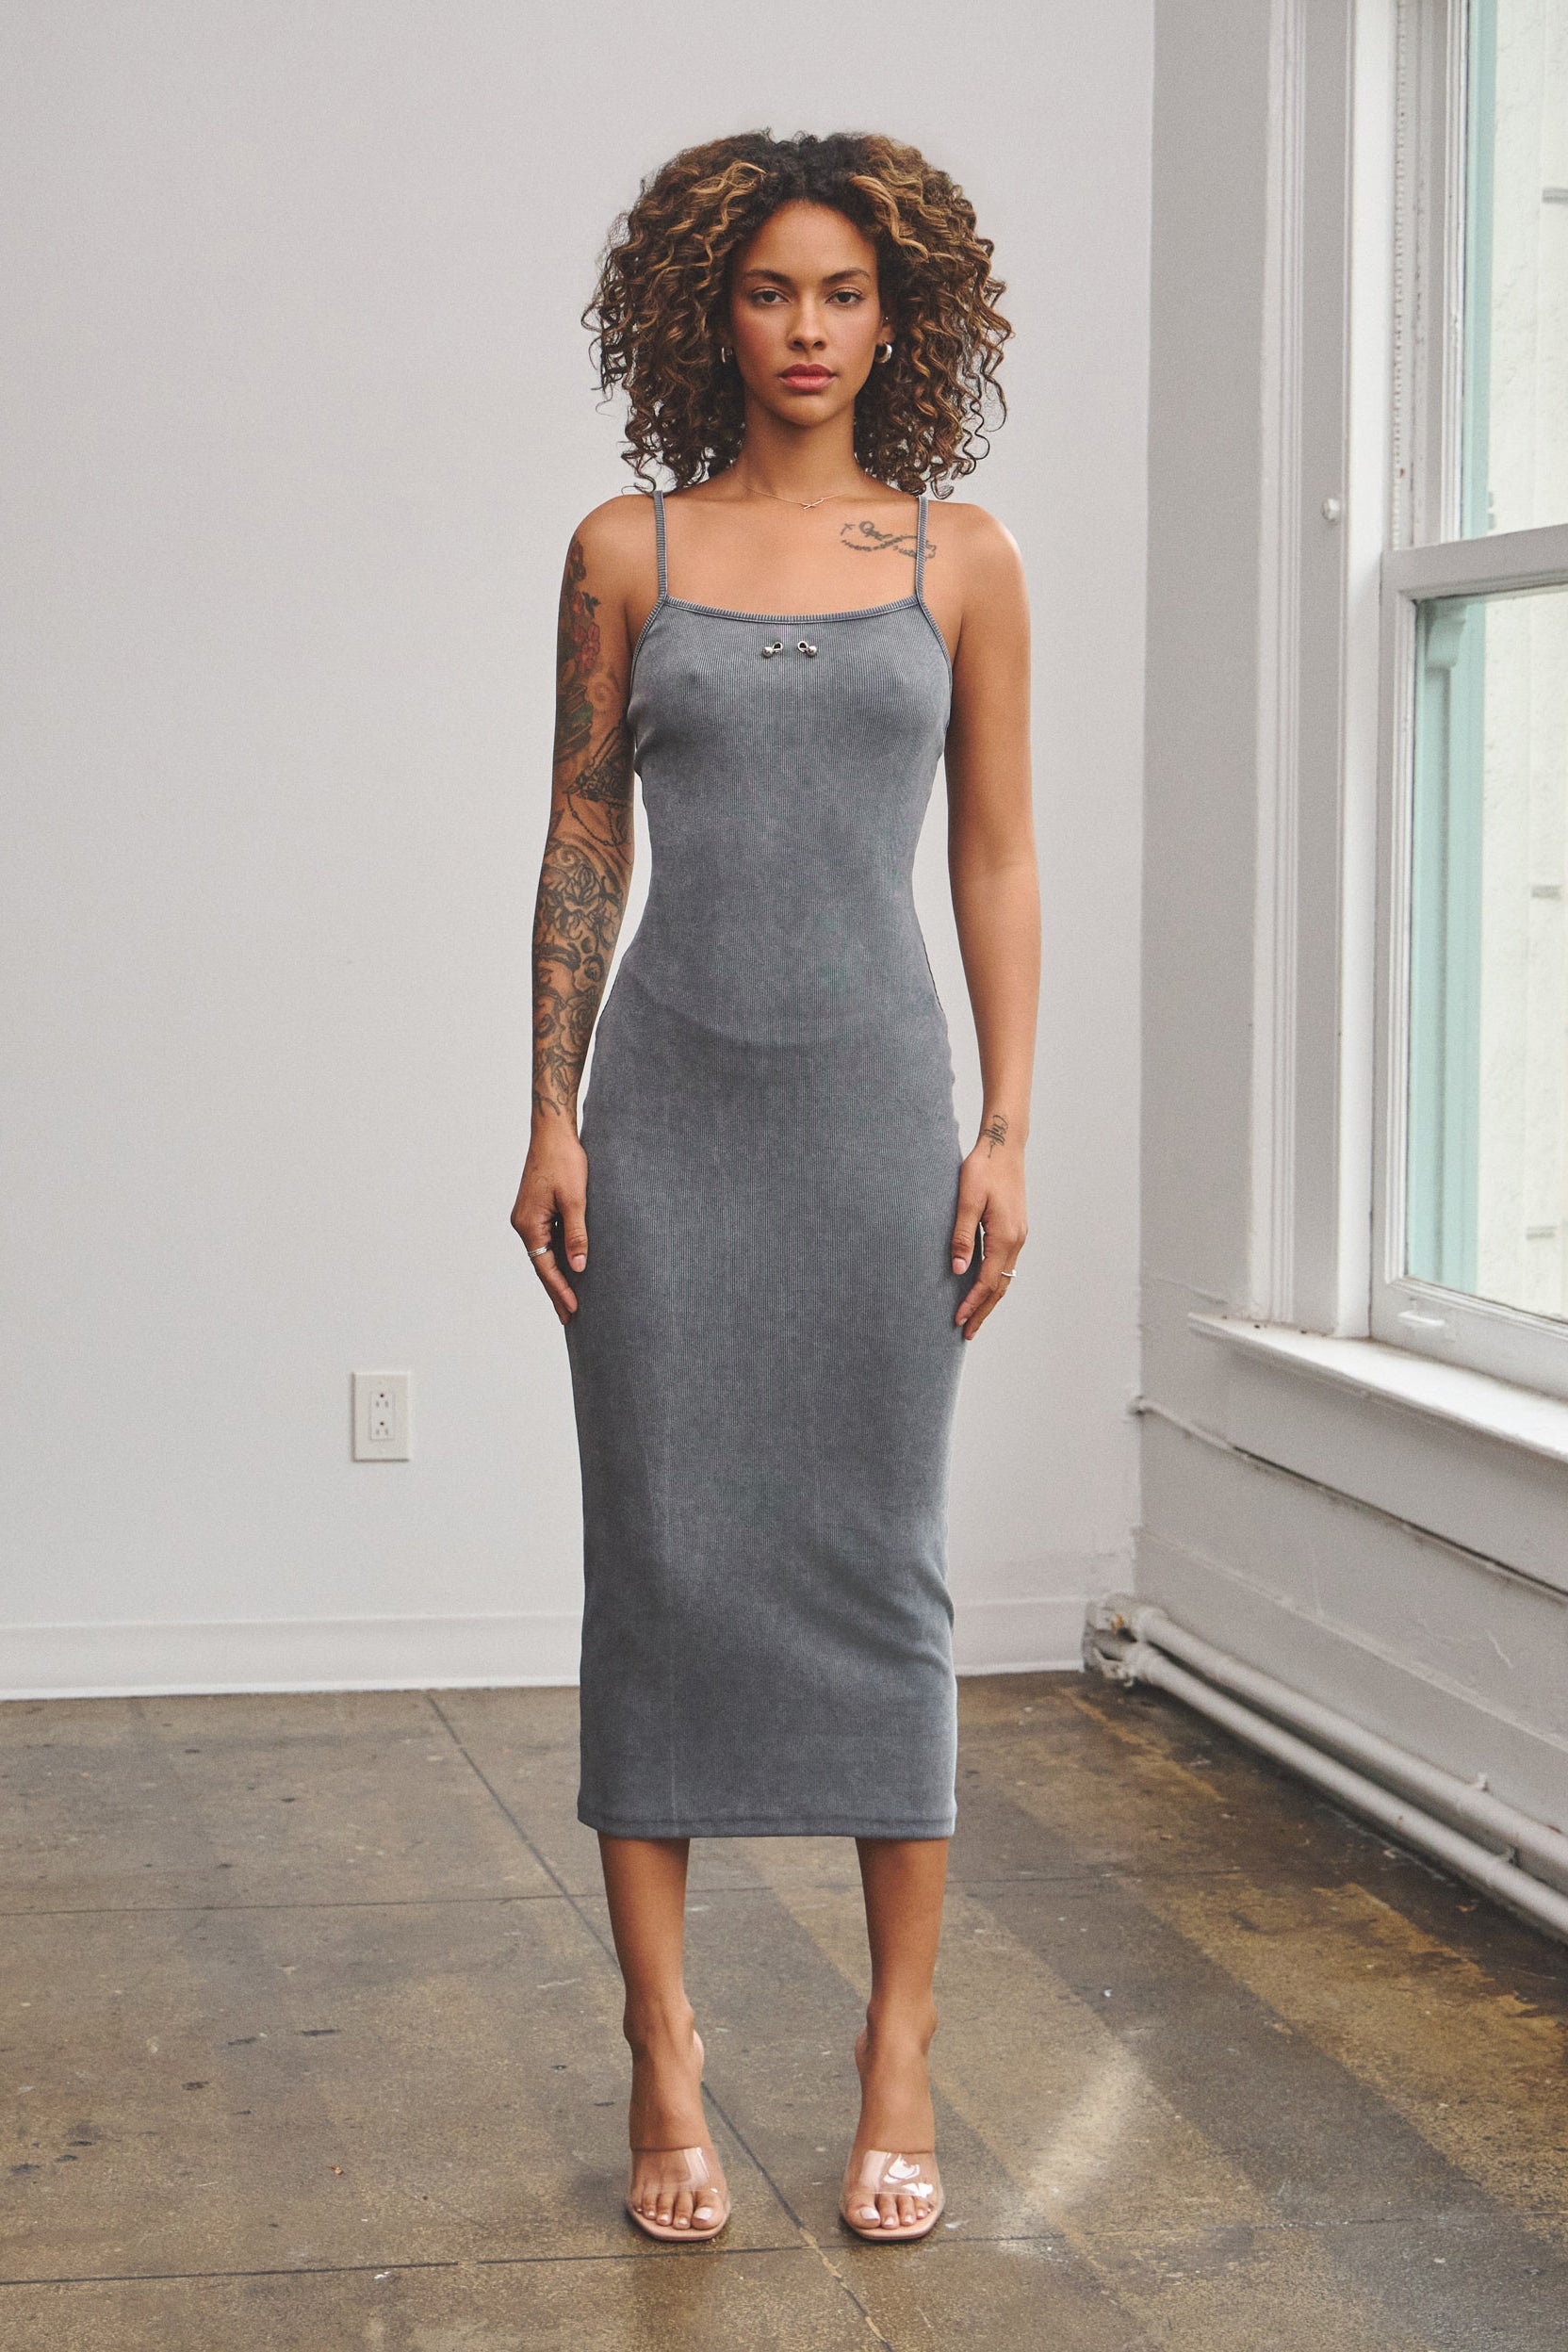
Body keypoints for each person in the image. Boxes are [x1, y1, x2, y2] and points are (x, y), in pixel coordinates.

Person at [511, 129, 1038, 2246]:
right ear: (704, 315)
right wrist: (549, 1112)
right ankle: (664, 2045)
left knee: (882, 1563)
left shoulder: (962, 559)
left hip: (876, 1113)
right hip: (669, 1114)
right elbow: (581, 840)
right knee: (658, 1561)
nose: (805, 330)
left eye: (841, 293)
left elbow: (995, 852)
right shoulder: (622, 551)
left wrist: (1007, 1126)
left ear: (899, 319)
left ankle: (897, 2048)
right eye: (766, 292)